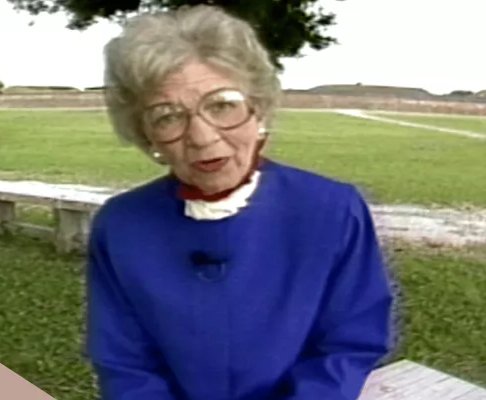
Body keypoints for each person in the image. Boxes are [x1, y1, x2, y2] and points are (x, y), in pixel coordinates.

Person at [84, 5, 397, 400]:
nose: (201, 136)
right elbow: (126, 365)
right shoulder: (120, 226)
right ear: (147, 137)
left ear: (258, 108)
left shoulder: (333, 209)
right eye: (167, 116)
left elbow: (350, 343)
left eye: (221, 104)